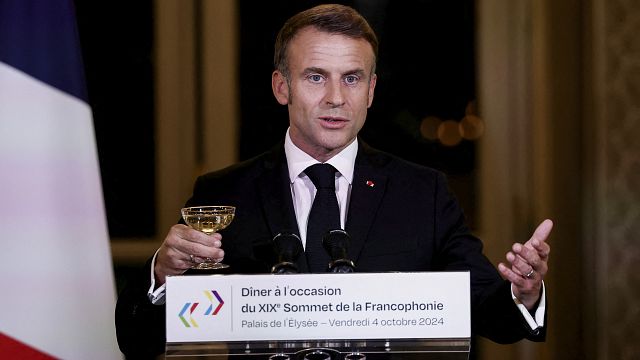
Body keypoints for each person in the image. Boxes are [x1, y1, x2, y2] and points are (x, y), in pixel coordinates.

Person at [115, 4, 552, 358]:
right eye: (316, 77)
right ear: (281, 86)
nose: (336, 98)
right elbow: (140, 339)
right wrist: (162, 274)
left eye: (352, 79)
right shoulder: (223, 194)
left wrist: (524, 291)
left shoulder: (423, 193)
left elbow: (493, 314)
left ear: (371, 91)